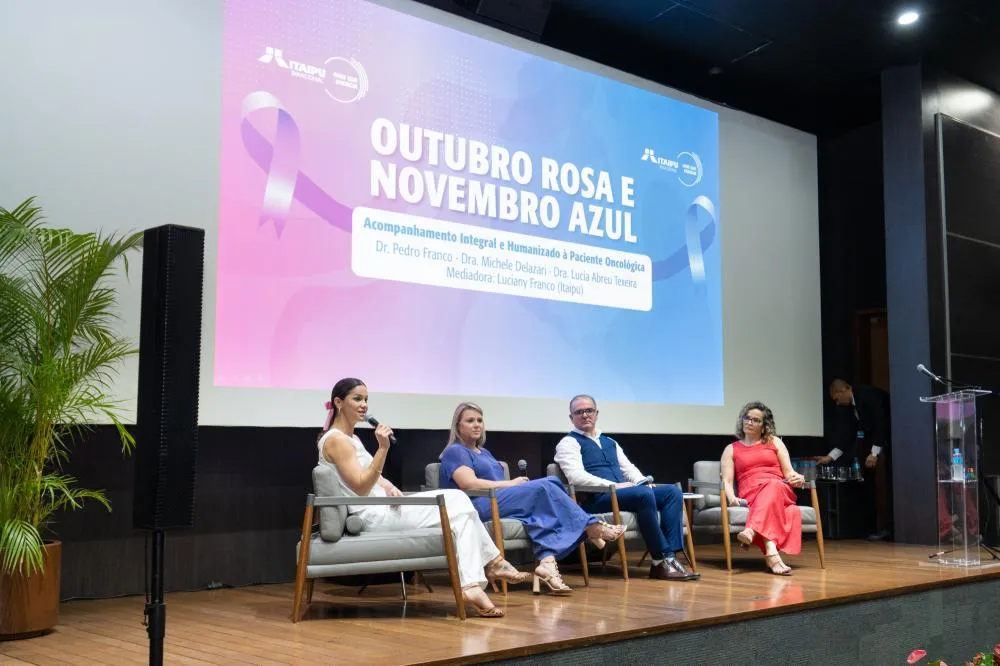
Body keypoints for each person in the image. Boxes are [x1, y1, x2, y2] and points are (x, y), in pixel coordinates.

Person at [317, 378, 531, 618]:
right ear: (338, 402)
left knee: (460, 509)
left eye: (366, 399)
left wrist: (388, 485)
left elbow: (369, 476)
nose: (364, 405)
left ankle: (474, 584)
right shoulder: (336, 440)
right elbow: (359, 486)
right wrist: (383, 448)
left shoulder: (352, 439)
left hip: (384, 505)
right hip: (370, 514)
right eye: (357, 399)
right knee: (458, 501)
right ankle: (491, 563)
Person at [439, 402, 626, 595]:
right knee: (548, 483)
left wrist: (511, 486)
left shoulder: (484, 452)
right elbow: (469, 484)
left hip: (497, 501)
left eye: (479, 420)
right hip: (477, 506)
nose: (477, 424)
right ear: (458, 426)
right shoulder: (455, 451)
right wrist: (511, 484)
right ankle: (591, 526)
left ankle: (547, 564)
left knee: (539, 516)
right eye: (470, 421)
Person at [553, 394, 699, 581]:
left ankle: (669, 557)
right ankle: (659, 560)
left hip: (621, 494)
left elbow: (628, 468)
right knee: (644, 496)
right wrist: (614, 486)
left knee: (672, 492)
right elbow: (576, 477)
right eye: (579, 412)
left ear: (596, 413)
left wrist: (642, 482)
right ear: (571, 417)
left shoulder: (610, 442)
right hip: (596, 499)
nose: (585, 415)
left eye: (589, 410)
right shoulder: (568, 443)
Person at [720, 401, 806, 575]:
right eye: (747, 418)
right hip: (751, 493)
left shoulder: (775, 442)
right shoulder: (731, 449)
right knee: (770, 502)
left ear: (764, 426)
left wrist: (798, 478)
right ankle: (772, 554)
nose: (749, 422)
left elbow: (789, 472)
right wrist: (731, 498)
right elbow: (727, 481)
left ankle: (751, 530)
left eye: (756, 420)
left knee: (774, 485)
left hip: (780, 490)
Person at [817, 379, 893, 540]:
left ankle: (893, 529)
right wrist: (830, 457)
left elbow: (881, 423)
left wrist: (874, 453)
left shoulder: (868, 396)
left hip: (894, 436)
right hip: (878, 440)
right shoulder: (849, 405)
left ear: (844, 391)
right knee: (871, 482)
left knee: (891, 481)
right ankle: (877, 529)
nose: (837, 403)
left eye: (837, 399)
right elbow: (848, 434)